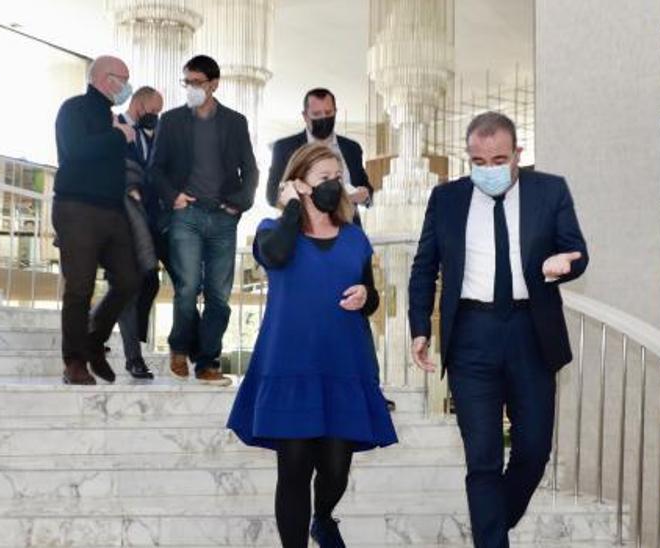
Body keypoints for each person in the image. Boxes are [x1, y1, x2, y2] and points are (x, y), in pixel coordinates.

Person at [408, 112, 588, 548]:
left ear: (517, 155)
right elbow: (424, 267)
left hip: (531, 331)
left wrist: (565, 263)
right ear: (467, 158)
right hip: (471, 334)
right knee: (483, 458)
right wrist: (420, 329)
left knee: (533, 452)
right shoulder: (446, 198)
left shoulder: (550, 190)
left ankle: (490, 528)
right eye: (478, 160)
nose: (488, 168)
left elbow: (576, 249)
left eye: (498, 159)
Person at [227, 143, 397, 548]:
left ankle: (322, 518)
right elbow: (278, 256)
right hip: (290, 361)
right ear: (299, 183)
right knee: (294, 468)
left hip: (344, 361)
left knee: (336, 467)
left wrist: (365, 298)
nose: (334, 186)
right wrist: (289, 208)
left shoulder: (355, 237)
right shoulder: (272, 232)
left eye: (337, 178)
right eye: (324, 178)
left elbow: (371, 298)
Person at [149, 55, 259, 386]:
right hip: (187, 215)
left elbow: (250, 170)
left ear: (213, 84)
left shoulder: (235, 122)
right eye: (187, 82)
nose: (191, 88)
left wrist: (239, 205)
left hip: (223, 218)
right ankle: (180, 347)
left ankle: (208, 361)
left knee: (219, 296)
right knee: (186, 288)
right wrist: (174, 198)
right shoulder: (170, 121)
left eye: (197, 82)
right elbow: (155, 168)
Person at [51, 55, 150, 385]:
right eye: (124, 77)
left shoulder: (112, 117)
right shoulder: (74, 109)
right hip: (76, 208)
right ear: (107, 78)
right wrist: (119, 136)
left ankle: (94, 340)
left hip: (112, 210)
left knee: (129, 279)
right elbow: (77, 152)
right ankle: (74, 361)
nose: (127, 85)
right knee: (79, 287)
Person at [111, 86, 165, 380]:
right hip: (120, 219)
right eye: (153, 110)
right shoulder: (113, 125)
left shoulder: (150, 138)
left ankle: (99, 327)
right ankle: (134, 358)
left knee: (149, 283)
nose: (155, 116)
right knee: (129, 286)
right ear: (138, 102)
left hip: (148, 220)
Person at [266, 88, 373, 222]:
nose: (323, 118)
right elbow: (272, 195)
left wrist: (366, 196)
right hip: (302, 231)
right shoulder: (285, 147)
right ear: (305, 116)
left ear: (335, 112)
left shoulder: (352, 148)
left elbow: (365, 187)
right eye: (316, 114)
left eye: (328, 112)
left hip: (349, 229)